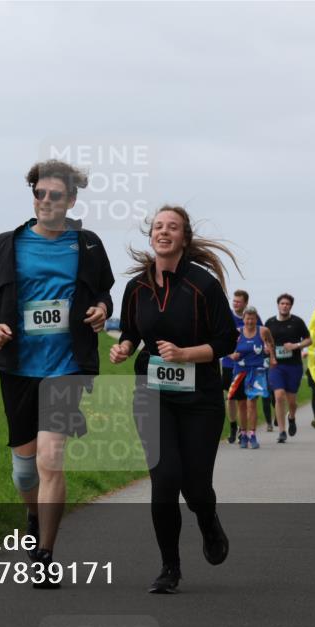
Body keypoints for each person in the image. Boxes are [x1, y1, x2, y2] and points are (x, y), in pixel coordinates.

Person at [0, 159, 114, 588]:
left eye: (55, 195)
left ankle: (45, 554)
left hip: (67, 366)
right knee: (25, 472)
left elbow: (104, 291)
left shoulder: (86, 244)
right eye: (39, 193)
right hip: (17, 367)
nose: (45, 201)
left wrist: (103, 310)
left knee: (53, 458)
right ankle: (33, 516)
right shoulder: (6, 244)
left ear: (71, 200)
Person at [110, 205, 238, 594]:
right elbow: (131, 331)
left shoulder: (204, 285)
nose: (163, 232)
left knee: (196, 488)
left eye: (173, 227)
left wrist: (186, 354)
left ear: (185, 237)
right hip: (153, 395)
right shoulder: (136, 287)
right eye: (158, 227)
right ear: (151, 236)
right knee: (164, 480)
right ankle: (170, 568)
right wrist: (124, 347)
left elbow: (226, 341)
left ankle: (208, 519)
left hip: (200, 398)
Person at [221, 290, 274, 442]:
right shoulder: (227, 317)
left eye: (238, 301)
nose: (235, 303)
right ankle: (233, 427)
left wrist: (266, 350)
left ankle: (246, 431)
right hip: (229, 364)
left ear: (245, 303)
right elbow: (222, 338)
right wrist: (230, 354)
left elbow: (263, 338)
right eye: (234, 301)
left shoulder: (254, 319)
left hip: (251, 366)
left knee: (249, 401)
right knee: (230, 398)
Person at [265, 294, 312, 443]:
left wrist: (296, 346)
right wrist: (267, 349)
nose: (285, 306)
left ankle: (291, 417)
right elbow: (265, 341)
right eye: (282, 303)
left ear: (291, 306)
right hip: (276, 365)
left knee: (291, 400)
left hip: (294, 365)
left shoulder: (297, 322)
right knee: (278, 396)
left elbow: (309, 340)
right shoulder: (270, 323)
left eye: (287, 304)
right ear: (278, 305)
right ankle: (282, 431)